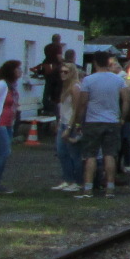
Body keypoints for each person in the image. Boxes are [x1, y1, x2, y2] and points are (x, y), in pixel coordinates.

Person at [76, 51, 130, 199]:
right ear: (108, 62)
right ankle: (110, 188)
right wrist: (122, 118)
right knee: (110, 154)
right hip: (112, 121)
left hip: (92, 121)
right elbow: (126, 99)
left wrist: (79, 120)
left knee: (90, 155)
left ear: (95, 63)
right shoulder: (118, 80)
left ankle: (88, 188)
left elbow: (83, 102)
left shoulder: (88, 80)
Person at [53, 61, 85, 192]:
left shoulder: (75, 87)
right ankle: (68, 179)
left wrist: (70, 127)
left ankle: (78, 182)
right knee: (62, 153)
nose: (62, 74)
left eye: (66, 72)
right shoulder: (65, 87)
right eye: (61, 71)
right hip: (63, 122)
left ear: (72, 73)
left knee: (74, 154)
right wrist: (60, 123)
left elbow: (76, 109)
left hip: (70, 124)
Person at [0, 60, 18, 193]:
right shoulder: (1, 85)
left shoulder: (12, 86)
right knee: (5, 152)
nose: (20, 71)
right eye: (18, 69)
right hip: (0, 123)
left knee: (3, 153)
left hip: (9, 123)